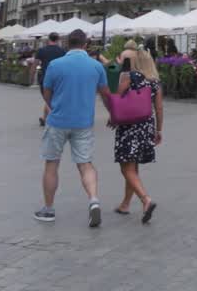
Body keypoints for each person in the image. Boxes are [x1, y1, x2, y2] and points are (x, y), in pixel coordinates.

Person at [36, 29, 111, 226]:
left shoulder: (55, 65)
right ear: (86, 44)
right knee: (85, 164)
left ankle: (49, 209)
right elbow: (105, 94)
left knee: (52, 164)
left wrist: (54, 107)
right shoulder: (96, 66)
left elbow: (46, 92)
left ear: (67, 44)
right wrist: (113, 114)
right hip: (83, 122)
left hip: (58, 121)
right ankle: (93, 199)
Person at [111, 41, 162, 223]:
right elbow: (159, 108)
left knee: (126, 168)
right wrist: (158, 130)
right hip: (146, 126)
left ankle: (145, 200)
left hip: (128, 126)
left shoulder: (128, 76)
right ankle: (125, 204)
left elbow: (118, 98)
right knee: (133, 167)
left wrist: (113, 118)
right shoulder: (153, 81)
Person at [35, 33, 66, 127]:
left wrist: (31, 75)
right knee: (51, 99)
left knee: (48, 99)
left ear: (48, 39)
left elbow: (35, 64)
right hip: (59, 79)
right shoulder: (62, 51)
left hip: (45, 78)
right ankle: (44, 119)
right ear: (58, 40)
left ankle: (54, 119)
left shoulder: (41, 50)